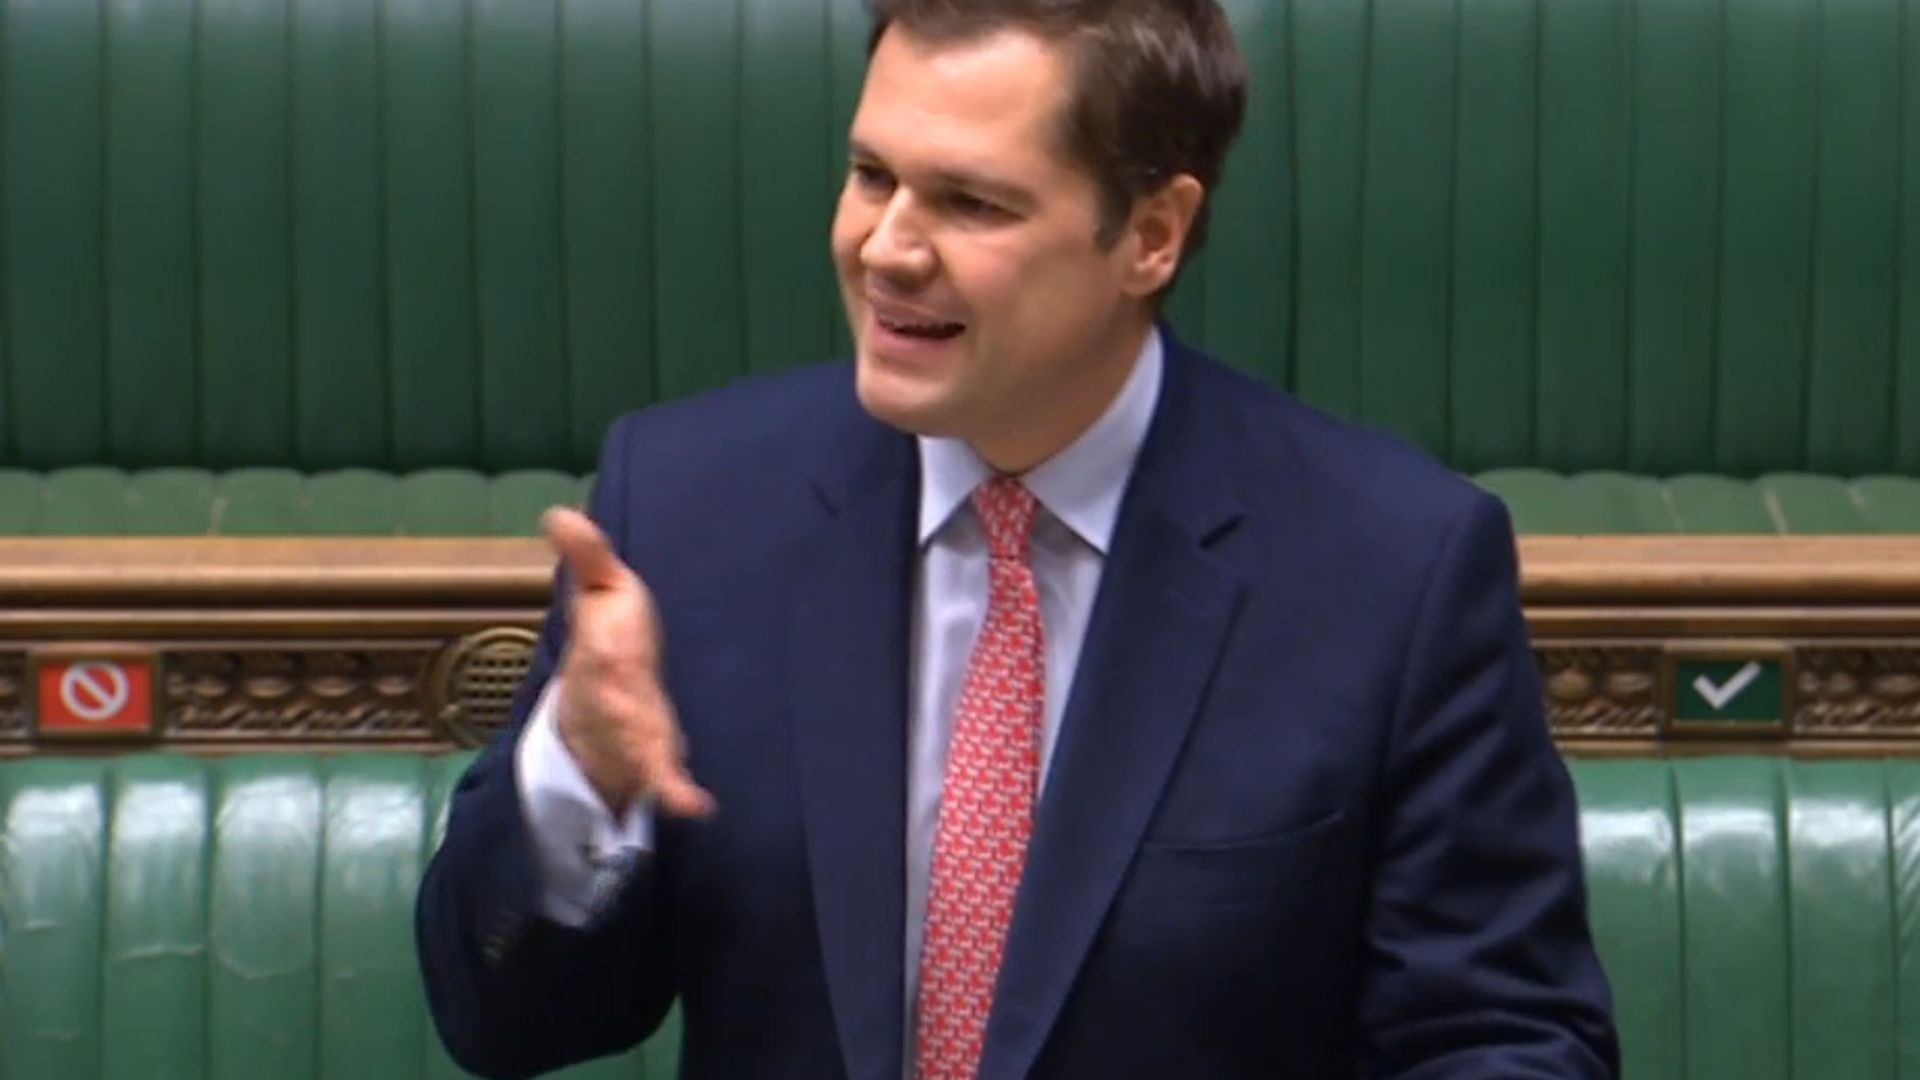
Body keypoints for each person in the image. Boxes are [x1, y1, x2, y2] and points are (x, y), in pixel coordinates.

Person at [415, 0, 1620, 1076]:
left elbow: (1502, 1036)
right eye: (871, 175)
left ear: (1150, 234)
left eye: (972, 201)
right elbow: (502, 1027)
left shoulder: (1392, 567)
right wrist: (578, 781)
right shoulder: (685, 509)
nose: (888, 248)